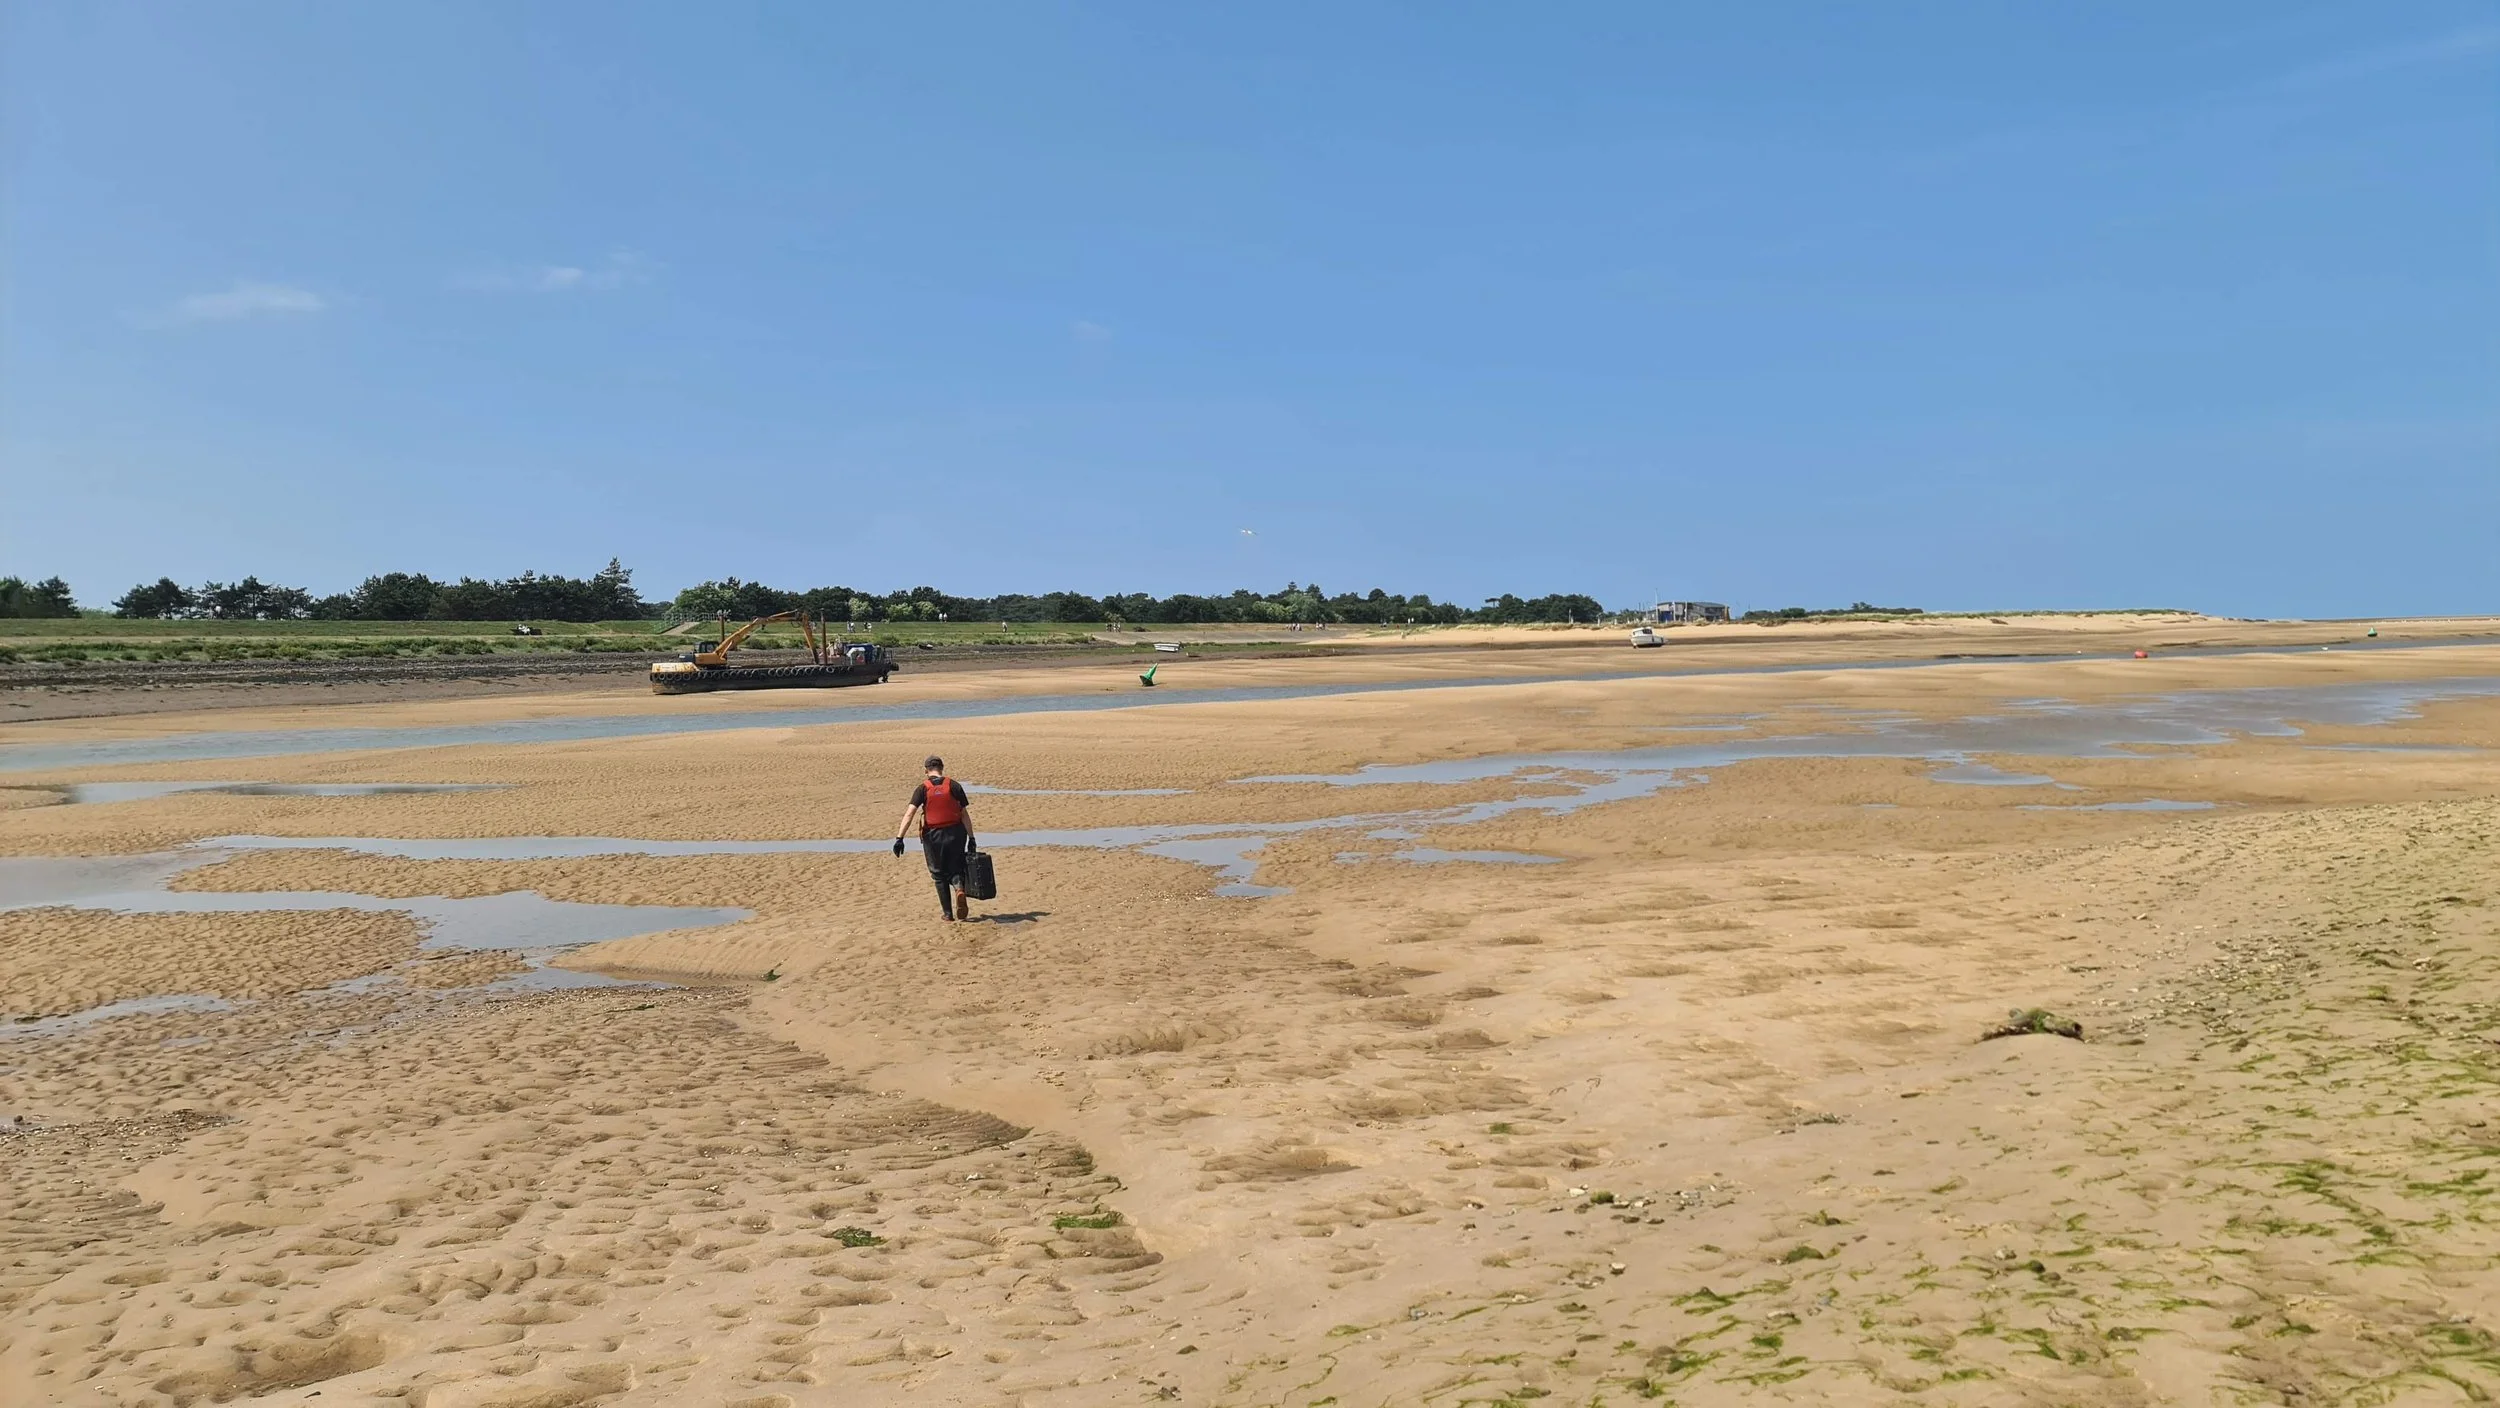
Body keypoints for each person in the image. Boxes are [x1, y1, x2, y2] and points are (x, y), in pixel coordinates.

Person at [894, 755, 976, 921]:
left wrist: (899, 838)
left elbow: (910, 814)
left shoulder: (922, 789)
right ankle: (959, 889)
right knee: (956, 868)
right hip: (956, 833)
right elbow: (964, 814)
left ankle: (947, 914)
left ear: (926, 771)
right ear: (942, 768)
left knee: (938, 874)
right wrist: (971, 837)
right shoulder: (954, 785)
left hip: (933, 837)